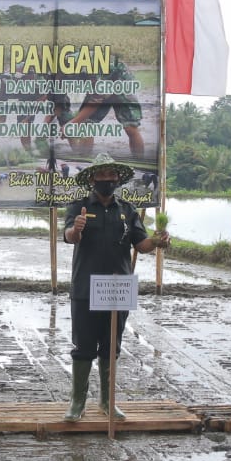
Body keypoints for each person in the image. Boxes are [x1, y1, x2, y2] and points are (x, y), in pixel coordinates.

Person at [62, 154, 169, 421]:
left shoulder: (128, 210)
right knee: (83, 346)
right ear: (92, 179)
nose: (106, 180)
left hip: (117, 287)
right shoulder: (79, 207)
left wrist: (157, 241)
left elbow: (140, 244)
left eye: (111, 175)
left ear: (117, 179)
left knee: (111, 346)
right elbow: (69, 237)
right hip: (86, 287)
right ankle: (78, 404)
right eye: (101, 175)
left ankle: (107, 402)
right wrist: (77, 229)